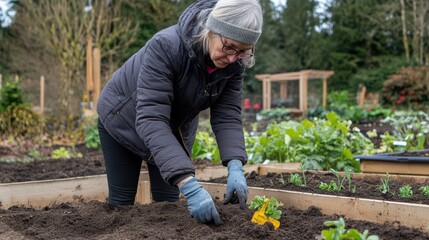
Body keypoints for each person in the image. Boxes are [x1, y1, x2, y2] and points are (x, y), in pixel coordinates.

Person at [96, 0, 263, 225]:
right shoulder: (166, 46)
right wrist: (190, 186)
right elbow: (151, 118)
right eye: (229, 46)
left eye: (243, 51)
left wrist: (235, 164)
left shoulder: (233, 65)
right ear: (212, 29)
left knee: (170, 207)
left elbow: (227, 114)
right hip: (123, 119)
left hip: (173, 128)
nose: (233, 58)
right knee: (122, 208)